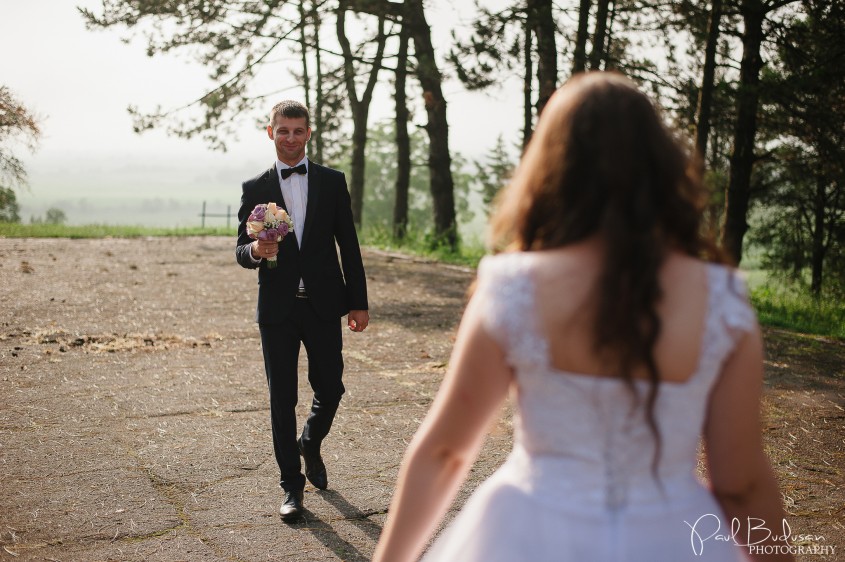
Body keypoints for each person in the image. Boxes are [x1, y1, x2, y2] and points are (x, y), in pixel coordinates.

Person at [373, 72, 793, 562]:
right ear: (661, 168)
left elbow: (445, 452)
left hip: (527, 533)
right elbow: (741, 483)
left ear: (552, 166)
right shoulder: (722, 299)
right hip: (674, 536)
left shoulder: (513, 287)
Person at [235, 100, 369, 522]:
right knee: (282, 398)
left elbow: (348, 244)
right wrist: (256, 249)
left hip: (324, 304)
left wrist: (358, 301)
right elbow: (240, 249)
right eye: (282, 131)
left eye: (297, 131)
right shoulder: (255, 188)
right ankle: (291, 487)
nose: (290, 138)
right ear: (270, 132)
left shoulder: (332, 181)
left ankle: (309, 442)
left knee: (331, 388)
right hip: (277, 309)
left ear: (308, 133)